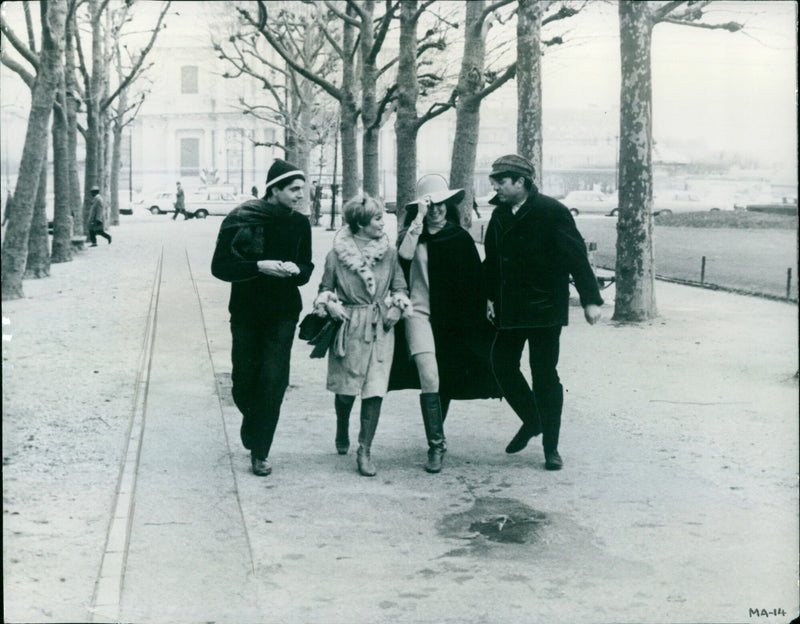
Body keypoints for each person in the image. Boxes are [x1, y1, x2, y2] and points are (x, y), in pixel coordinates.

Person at [483, 154, 603, 471]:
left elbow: (577, 256)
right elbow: (492, 261)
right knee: (501, 364)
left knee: (544, 374)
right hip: (509, 308)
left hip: (544, 308)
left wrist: (590, 299)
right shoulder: (499, 215)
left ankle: (551, 447)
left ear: (520, 182)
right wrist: (489, 298)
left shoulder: (552, 211)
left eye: (501, 181)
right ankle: (533, 418)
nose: (496, 187)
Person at [211, 159, 314, 476]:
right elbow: (220, 267)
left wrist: (298, 270)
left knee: (273, 381)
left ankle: (260, 451)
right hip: (246, 312)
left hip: (283, 313)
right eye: (294, 189)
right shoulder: (240, 218)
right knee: (243, 383)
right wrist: (258, 266)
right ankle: (252, 420)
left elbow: (306, 267)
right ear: (275, 190)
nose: (300, 195)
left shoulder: (300, 224)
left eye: (302, 189)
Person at [392, 175, 501, 473]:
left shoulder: (459, 237)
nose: (437, 209)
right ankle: (436, 446)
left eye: (441, 203)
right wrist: (419, 219)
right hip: (417, 315)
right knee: (429, 376)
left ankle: (437, 438)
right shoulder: (411, 236)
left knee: (447, 377)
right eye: (430, 205)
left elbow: (475, 280)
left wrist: (485, 307)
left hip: (452, 320)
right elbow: (403, 256)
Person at [313, 194, 411, 477]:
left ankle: (364, 450)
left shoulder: (389, 253)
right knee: (346, 391)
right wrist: (330, 304)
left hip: (380, 327)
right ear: (360, 223)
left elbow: (400, 287)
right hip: (348, 326)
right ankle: (342, 425)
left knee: (375, 390)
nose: (382, 223)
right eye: (377, 218)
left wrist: (397, 307)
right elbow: (324, 289)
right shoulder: (336, 255)